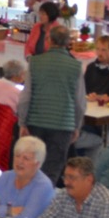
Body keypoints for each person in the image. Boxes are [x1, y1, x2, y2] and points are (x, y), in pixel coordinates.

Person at [18, 24, 86, 182]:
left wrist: (22, 122)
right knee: (52, 172)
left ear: (48, 40)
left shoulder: (35, 62)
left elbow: (25, 97)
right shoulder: (76, 67)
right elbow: (80, 102)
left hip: (36, 122)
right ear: (68, 42)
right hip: (63, 126)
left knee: (31, 169)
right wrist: (76, 126)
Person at [0, 136, 55, 218]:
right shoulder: (5, 177)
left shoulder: (43, 186)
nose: (19, 161)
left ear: (37, 164)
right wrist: (11, 210)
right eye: (17, 155)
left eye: (26, 158)